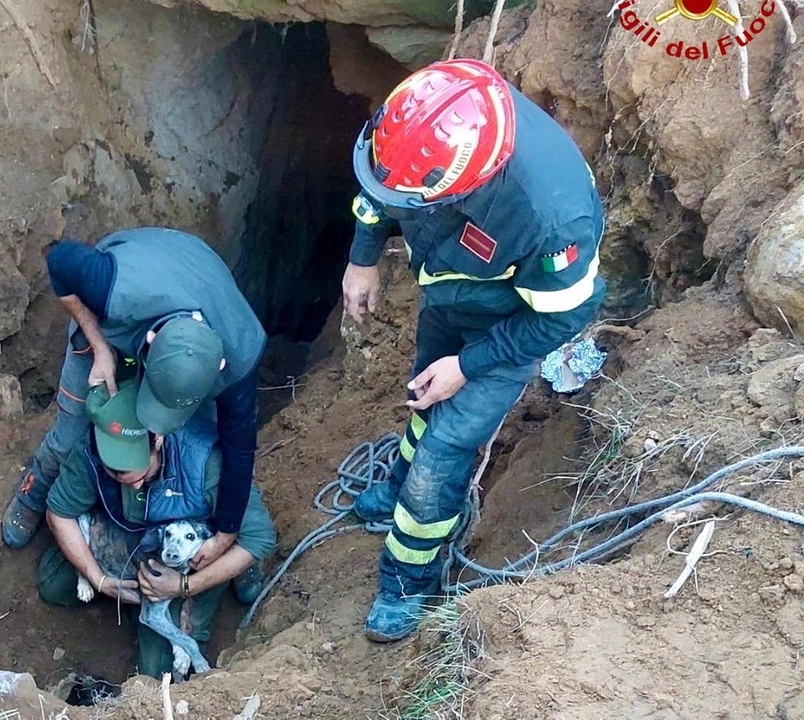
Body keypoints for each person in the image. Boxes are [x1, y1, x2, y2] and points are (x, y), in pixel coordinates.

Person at [341, 59, 606, 642]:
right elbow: (380, 188)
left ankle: (408, 580)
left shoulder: (551, 216)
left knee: (445, 450)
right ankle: (397, 488)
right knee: (421, 395)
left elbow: (566, 314)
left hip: (509, 325)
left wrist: (468, 365)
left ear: (464, 184)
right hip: (450, 293)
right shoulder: (435, 111)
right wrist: (363, 256)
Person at [1, 227, 269, 601]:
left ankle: (222, 537)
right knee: (72, 429)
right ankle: (32, 495)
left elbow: (239, 452)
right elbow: (60, 262)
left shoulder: (240, 355)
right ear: (149, 342)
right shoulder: (112, 290)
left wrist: (227, 533)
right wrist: (99, 347)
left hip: (201, 295)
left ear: (219, 365)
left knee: (204, 444)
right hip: (132, 298)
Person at [36, 381, 276, 678]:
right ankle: (133, 605)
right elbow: (59, 511)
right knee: (54, 583)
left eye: (142, 470)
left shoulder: (204, 458)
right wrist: (97, 579)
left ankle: (222, 582)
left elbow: (260, 537)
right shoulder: (92, 450)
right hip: (129, 541)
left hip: (190, 558)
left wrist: (186, 586)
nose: (134, 484)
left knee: (160, 672)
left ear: (158, 441)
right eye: (118, 473)